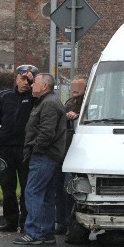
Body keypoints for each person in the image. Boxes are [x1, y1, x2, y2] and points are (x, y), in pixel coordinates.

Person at [13, 73, 66, 245]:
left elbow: (46, 132)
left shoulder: (48, 103)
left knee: (33, 191)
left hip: (44, 155)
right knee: (47, 194)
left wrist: (36, 149)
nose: (31, 86)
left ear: (44, 86)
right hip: (50, 155)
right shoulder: (48, 101)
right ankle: (46, 232)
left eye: (35, 83)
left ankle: (34, 232)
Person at [0, 65, 37, 232]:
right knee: (7, 186)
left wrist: (33, 82)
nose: (25, 83)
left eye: (28, 80)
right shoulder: (5, 96)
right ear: (16, 79)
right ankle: (11, 221)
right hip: (6, 148)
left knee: (26, 187)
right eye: (22, 79)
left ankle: (25, 222)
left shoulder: (35, 98)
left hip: (25, 149)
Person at [55, 75, 88, 235]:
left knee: (70, 189)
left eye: (78, 87)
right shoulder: (69, 103)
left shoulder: (89, 104)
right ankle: (62, 222)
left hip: (79, 153)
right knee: (61, 189)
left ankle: (70, 222)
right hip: (64, 151)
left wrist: (78, 115)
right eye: (73, 86)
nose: (74, 89)